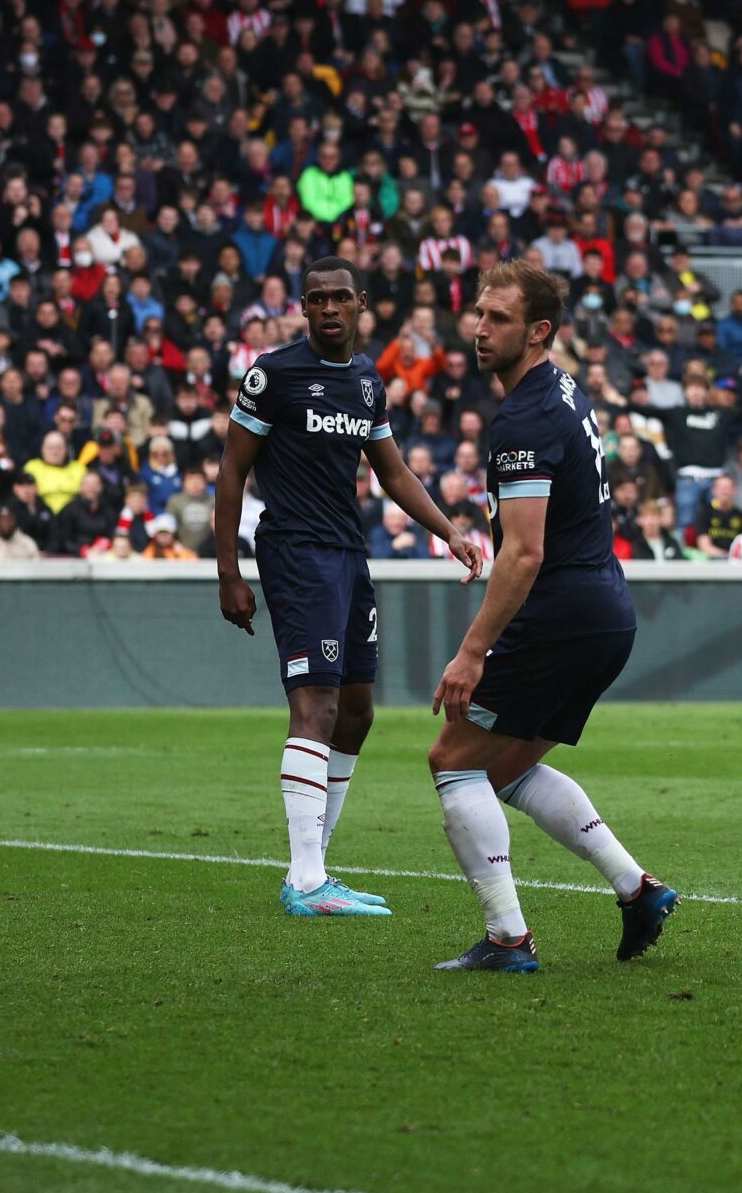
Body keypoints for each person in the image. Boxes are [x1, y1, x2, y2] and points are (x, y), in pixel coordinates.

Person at [424, 261, 676, 972]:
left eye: (497, 318)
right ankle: (637, 889)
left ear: (538, 331)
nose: (479, 328)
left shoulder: (525, 415)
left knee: (450, 758)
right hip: (604, 611)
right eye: (478, 313)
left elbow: (526, 552)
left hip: (561, 612)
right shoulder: (561, 388)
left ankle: (507, 938)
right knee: (503, 767)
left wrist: (473, 650)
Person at [218, 257, 483, 916]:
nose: (330, 308)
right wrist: (230, 569)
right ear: (304, 308)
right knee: (316, 707)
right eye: (317, 299)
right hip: (295, 553)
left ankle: (315, 866)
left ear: (361, 303)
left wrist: (449, 530)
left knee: (358, 709)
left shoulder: (366, 382)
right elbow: (231, 472)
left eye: (340, 297)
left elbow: (393, 474)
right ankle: (306, 880)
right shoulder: (272, 374)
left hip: (347, 553)